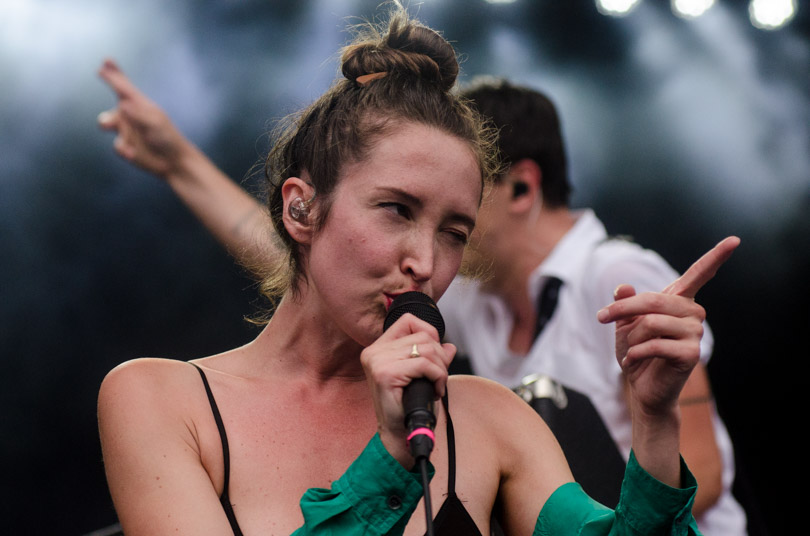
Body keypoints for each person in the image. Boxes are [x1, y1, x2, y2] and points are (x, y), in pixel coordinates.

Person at [97, 5, 738, 534]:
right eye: (396, 209)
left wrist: (655, 422)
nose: (426, 264)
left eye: (455, 233)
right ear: (300, 208)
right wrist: (391, 459)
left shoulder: (489, 415)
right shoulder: (160, 400)